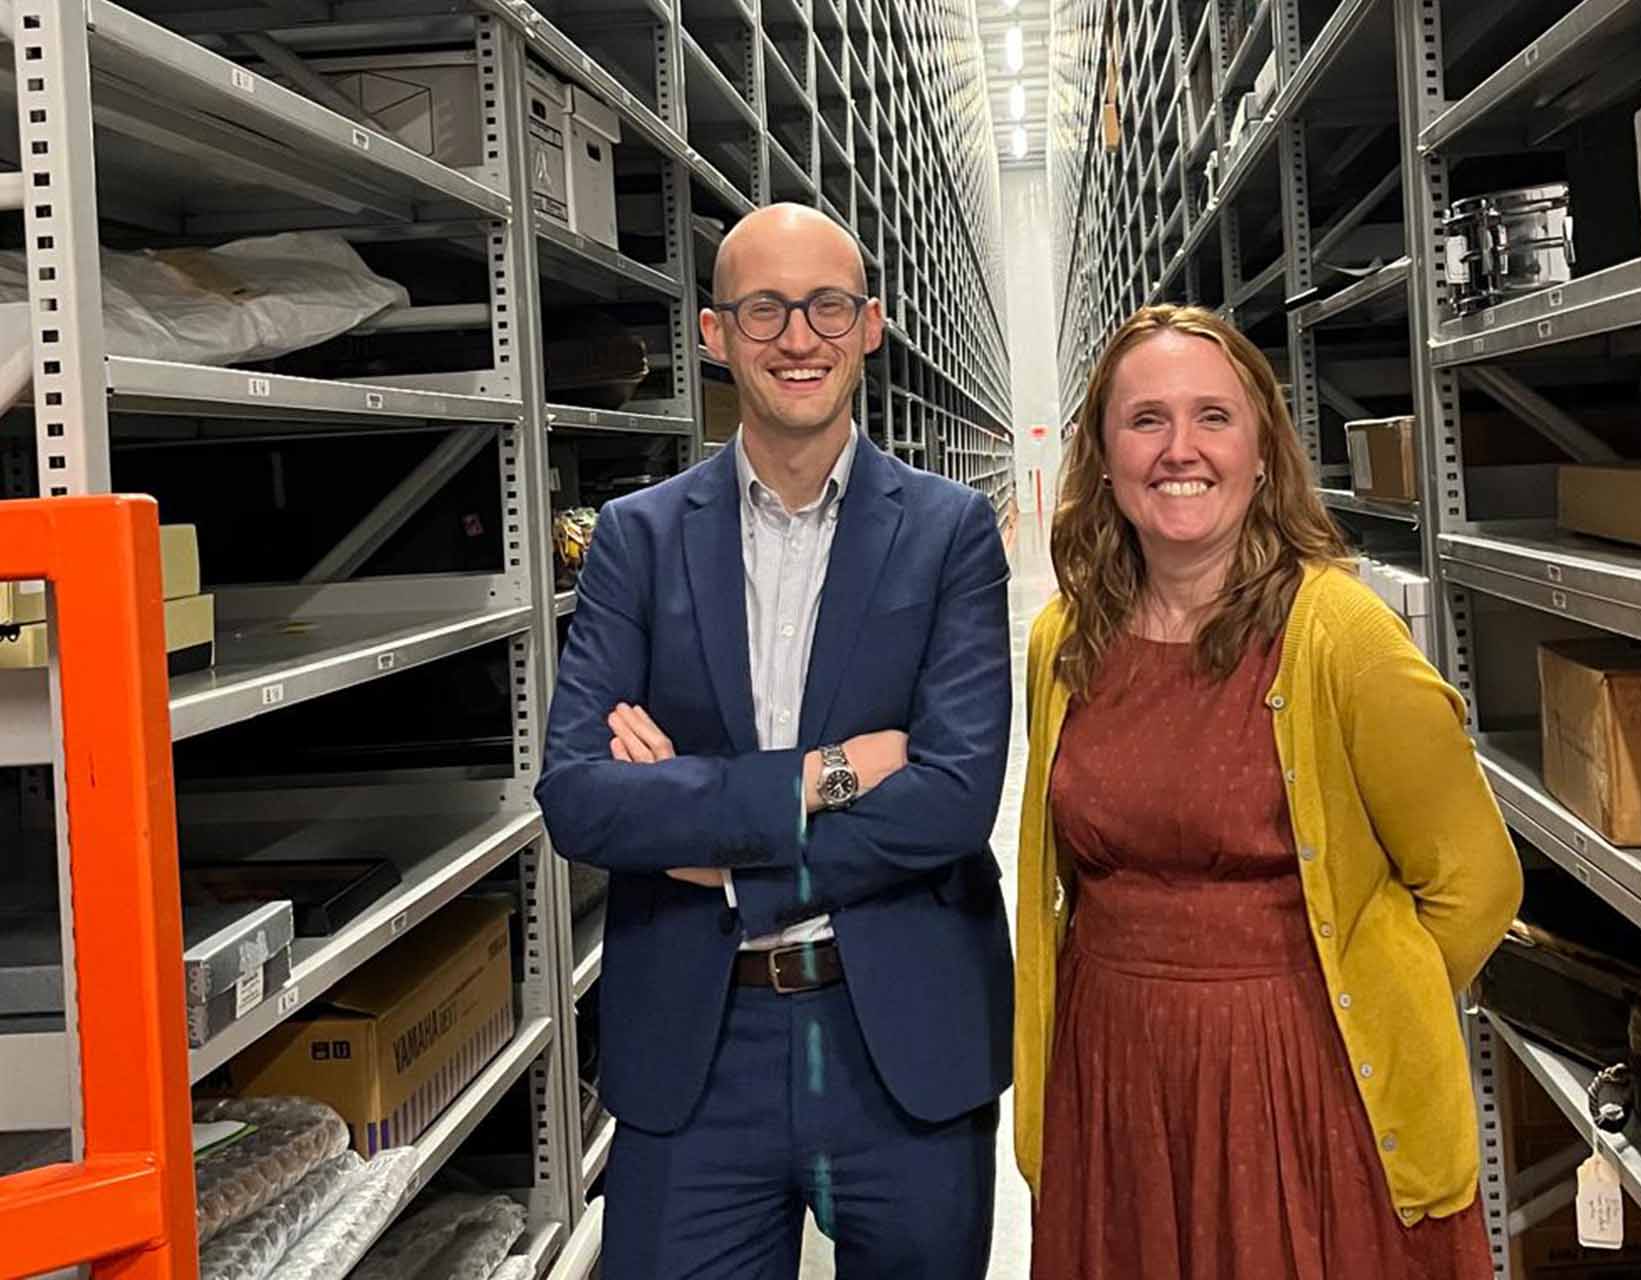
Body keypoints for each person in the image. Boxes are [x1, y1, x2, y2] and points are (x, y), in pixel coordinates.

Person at [537, 202, 1014, 1279]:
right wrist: (827, 773)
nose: (798, 337)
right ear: (713, 333)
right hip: (698, 1051)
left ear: (870, 324)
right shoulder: (638, 538)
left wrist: (713, 849)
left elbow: (949, 799)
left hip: (897, 1038)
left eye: (826, 305)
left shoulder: (948, 531)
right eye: (763, 308)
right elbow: (578, 795)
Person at [1013, 305, 1522, 1280]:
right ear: (1104, 453)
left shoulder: (1340, 635)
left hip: (1302, 1085)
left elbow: (1477, 881)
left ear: (1261, 451)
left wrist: (1360, 1007)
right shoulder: (1064, 642)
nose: (1180, 449)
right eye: (1145, 419)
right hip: (1114, 1076)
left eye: (1214, 416)